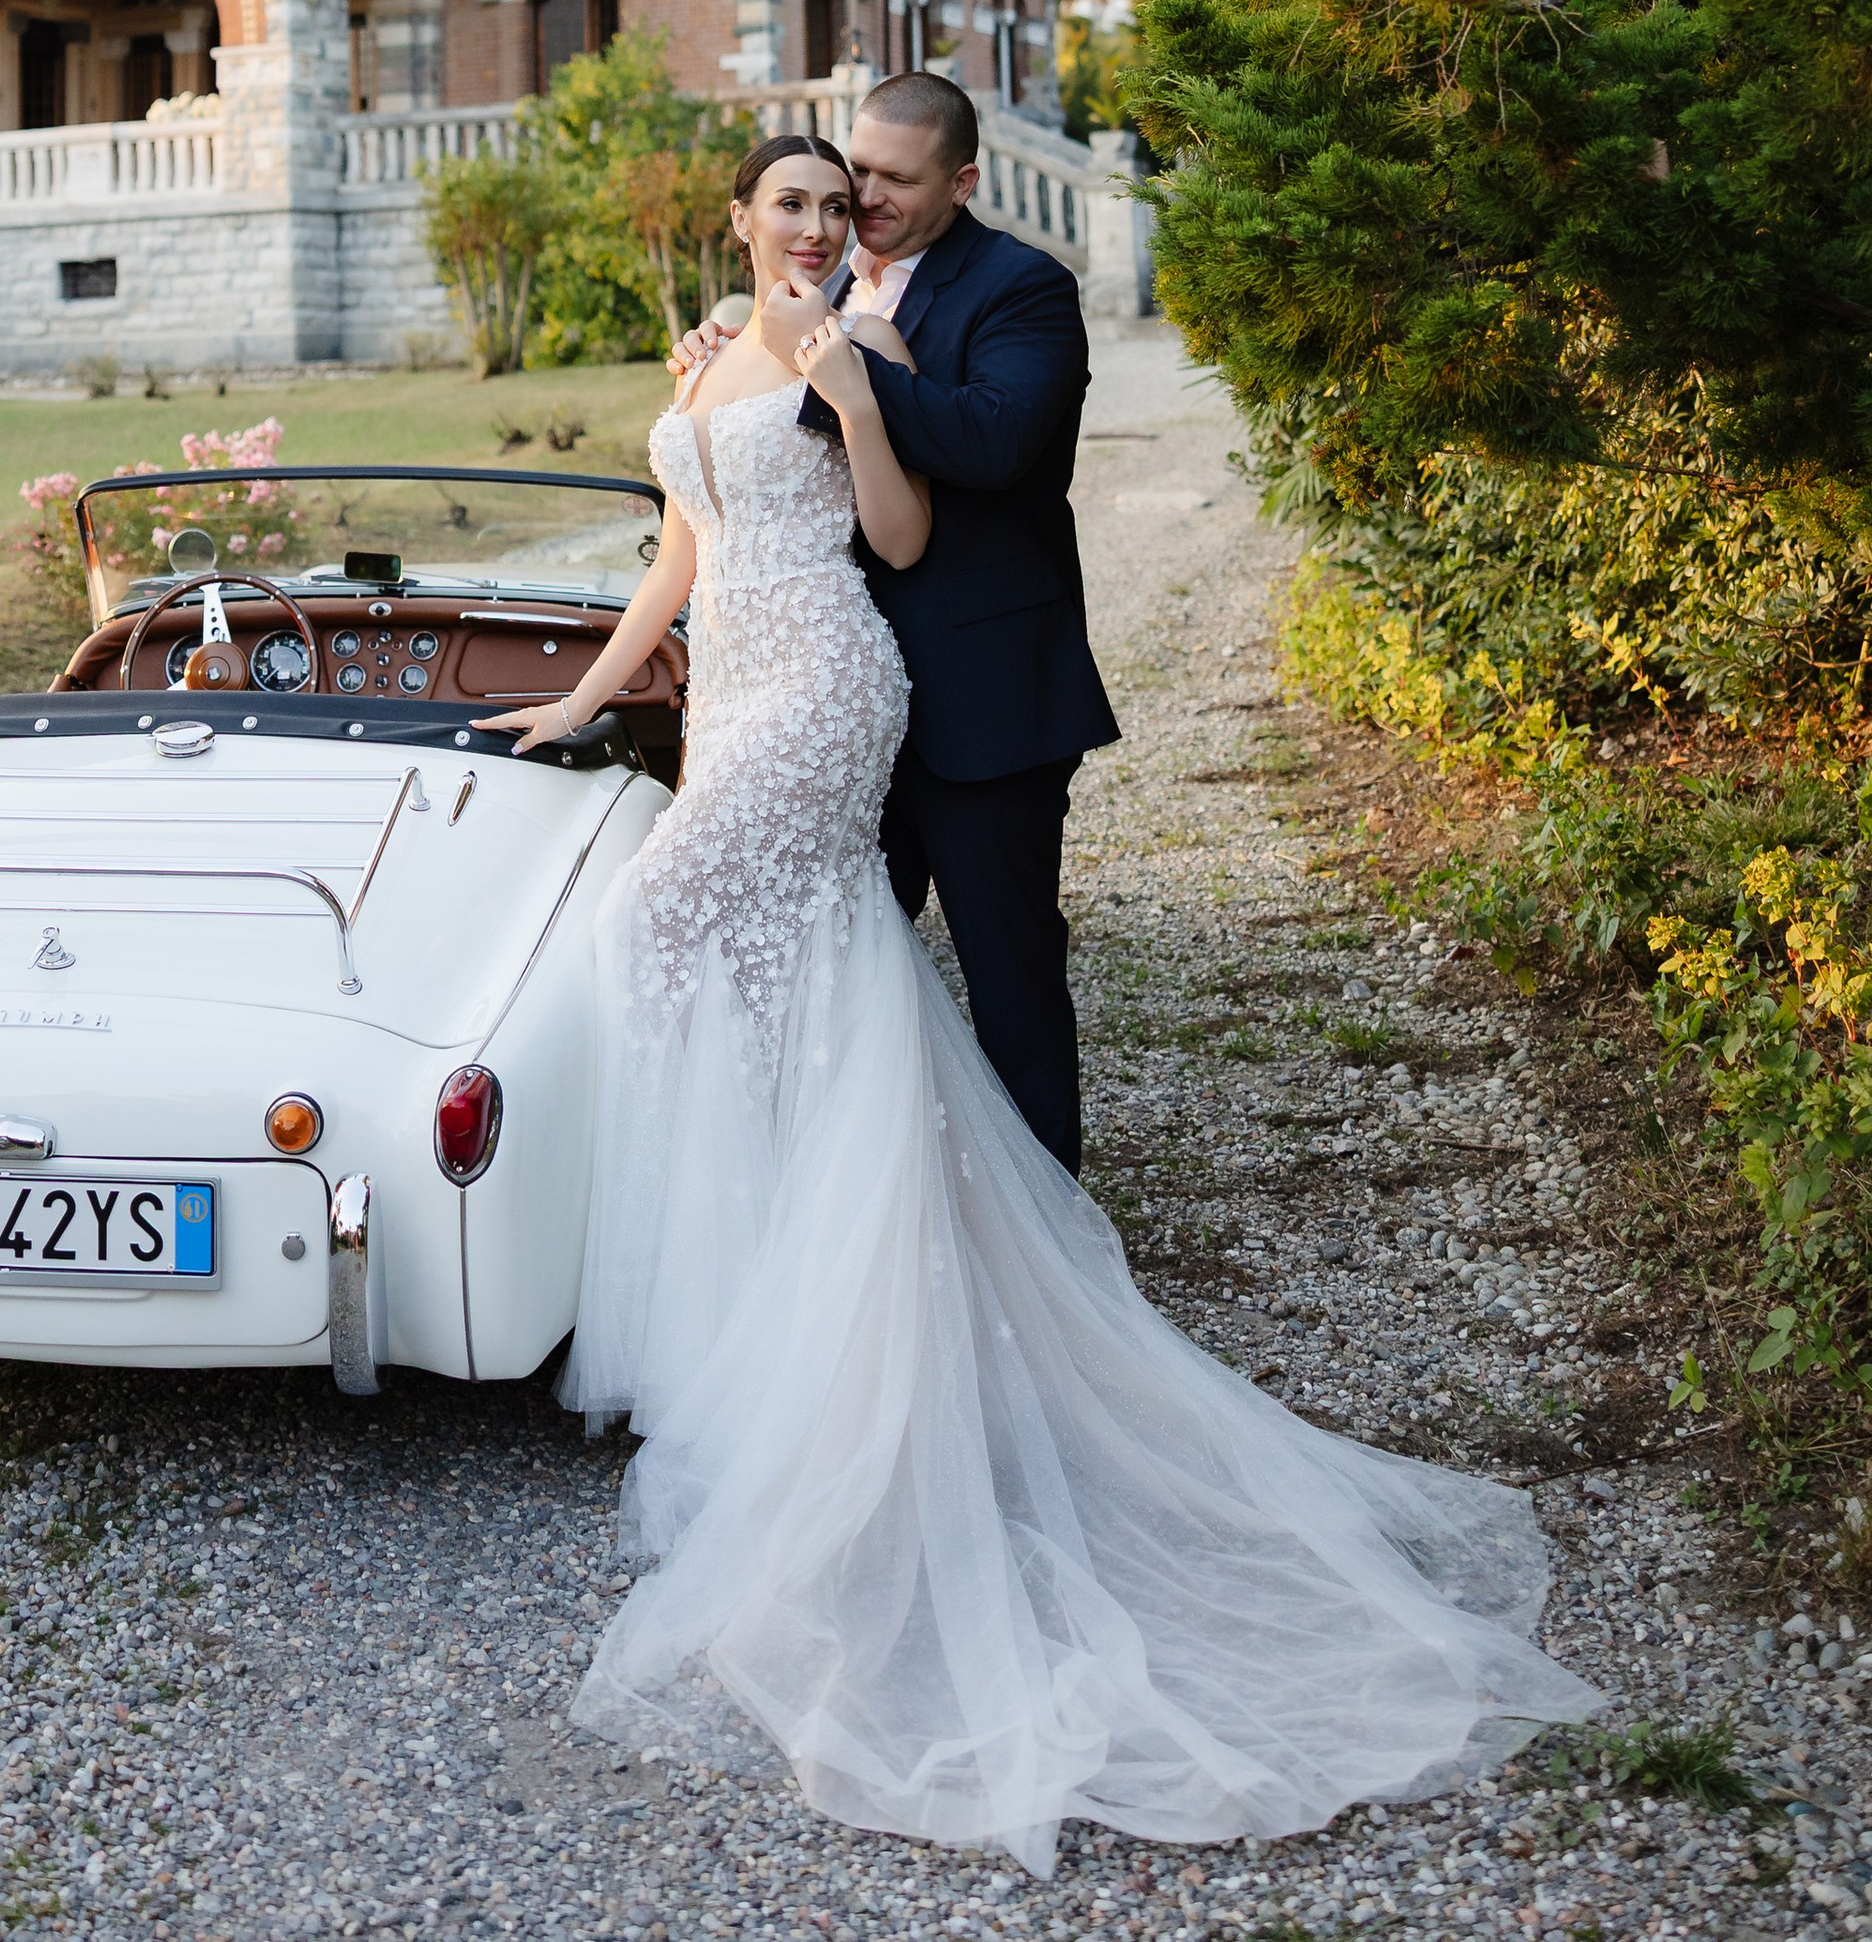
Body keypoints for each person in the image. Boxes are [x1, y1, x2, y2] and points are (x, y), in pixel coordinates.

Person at [484, 129, 1597, 1868]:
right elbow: (678, 553)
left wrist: (858, 391)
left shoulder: (873, 341)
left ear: (876, 216)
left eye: (841, 203)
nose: (819, 221)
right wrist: (588, 697)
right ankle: (786, 1292)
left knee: (668, 930)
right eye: (794, 198)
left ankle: (850, 1293)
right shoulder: (708, 336)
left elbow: (907, 523)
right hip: (733, 689)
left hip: (830, 686)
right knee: (794, 973)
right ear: (741, 215)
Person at [672, 68, 1111, 1170]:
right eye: (852, 167)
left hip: (981, 698)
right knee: (835, 966)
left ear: (960, 182)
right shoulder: (817, 288)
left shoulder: (1023, 287)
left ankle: (1050, 1227)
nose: (860, 197)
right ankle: (845, 1205)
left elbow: (996, 441)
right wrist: (740, 363)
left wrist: (834, 371)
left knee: (1007, 973)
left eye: (891, 180)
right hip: (829, 701)